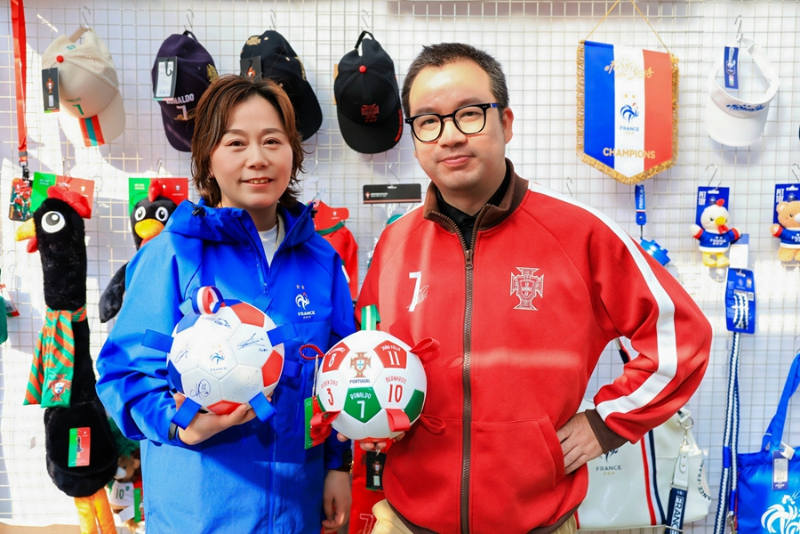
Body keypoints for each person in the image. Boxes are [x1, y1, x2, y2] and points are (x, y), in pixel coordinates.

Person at [350, 43, 712, 534]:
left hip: (540, 521)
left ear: (506, 123)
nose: (450, 136)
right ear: (414, 140)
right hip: (406, 520)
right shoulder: (395, 243)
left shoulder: (580, 233)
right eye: (428, 122)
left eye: (469, 114)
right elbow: (371, 355)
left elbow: (682, 336)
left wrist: (607, 422)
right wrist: (371, 419)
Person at [96, 75, 354, 534]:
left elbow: (337, 373)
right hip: (198, 514)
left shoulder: (321, 260)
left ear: (293, 153)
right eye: (236, 142)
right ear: (208, 160)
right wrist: (180, 424)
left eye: (272, 140)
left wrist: (338, 465)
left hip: (296, 510)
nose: (257, 158)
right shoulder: (173, 255)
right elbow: (124, 371)